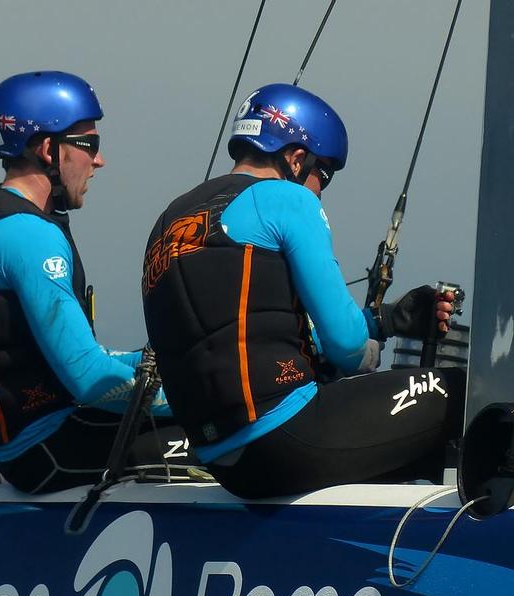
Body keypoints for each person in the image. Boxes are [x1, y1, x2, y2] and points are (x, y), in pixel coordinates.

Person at [141, 82, 463, 499]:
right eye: (322, 173)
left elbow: (241, 336)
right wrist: (364, 348)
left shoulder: (171, 218)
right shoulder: (287, 200)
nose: (320, 189)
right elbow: (346, 346)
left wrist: (384, 322)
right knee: (466, 393)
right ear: (296, 158)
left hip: (226, 461)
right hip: (288, 440)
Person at [0, 71, 192, 494]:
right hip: (49, 453)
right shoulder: (28, 234)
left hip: (29, 443)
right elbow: (88, 377)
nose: (99, 160)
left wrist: (157, 364)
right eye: (88, 144)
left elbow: (72, 355)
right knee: (224, 431)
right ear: (48, 149)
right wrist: (203, 394)